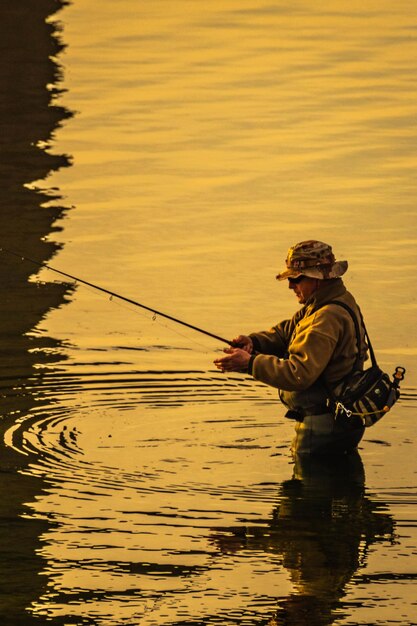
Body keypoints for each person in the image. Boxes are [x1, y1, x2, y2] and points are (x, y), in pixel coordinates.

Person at [214, 240, 368, 455]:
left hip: (323, 429)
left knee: (310, 487)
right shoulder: (333, 300)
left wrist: (250, 363)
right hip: (340, 422)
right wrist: (254, 342)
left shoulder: (325, 318)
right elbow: (288, 331)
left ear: (317, 278)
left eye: (296, 279)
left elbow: (298, 375)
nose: (290, 285)